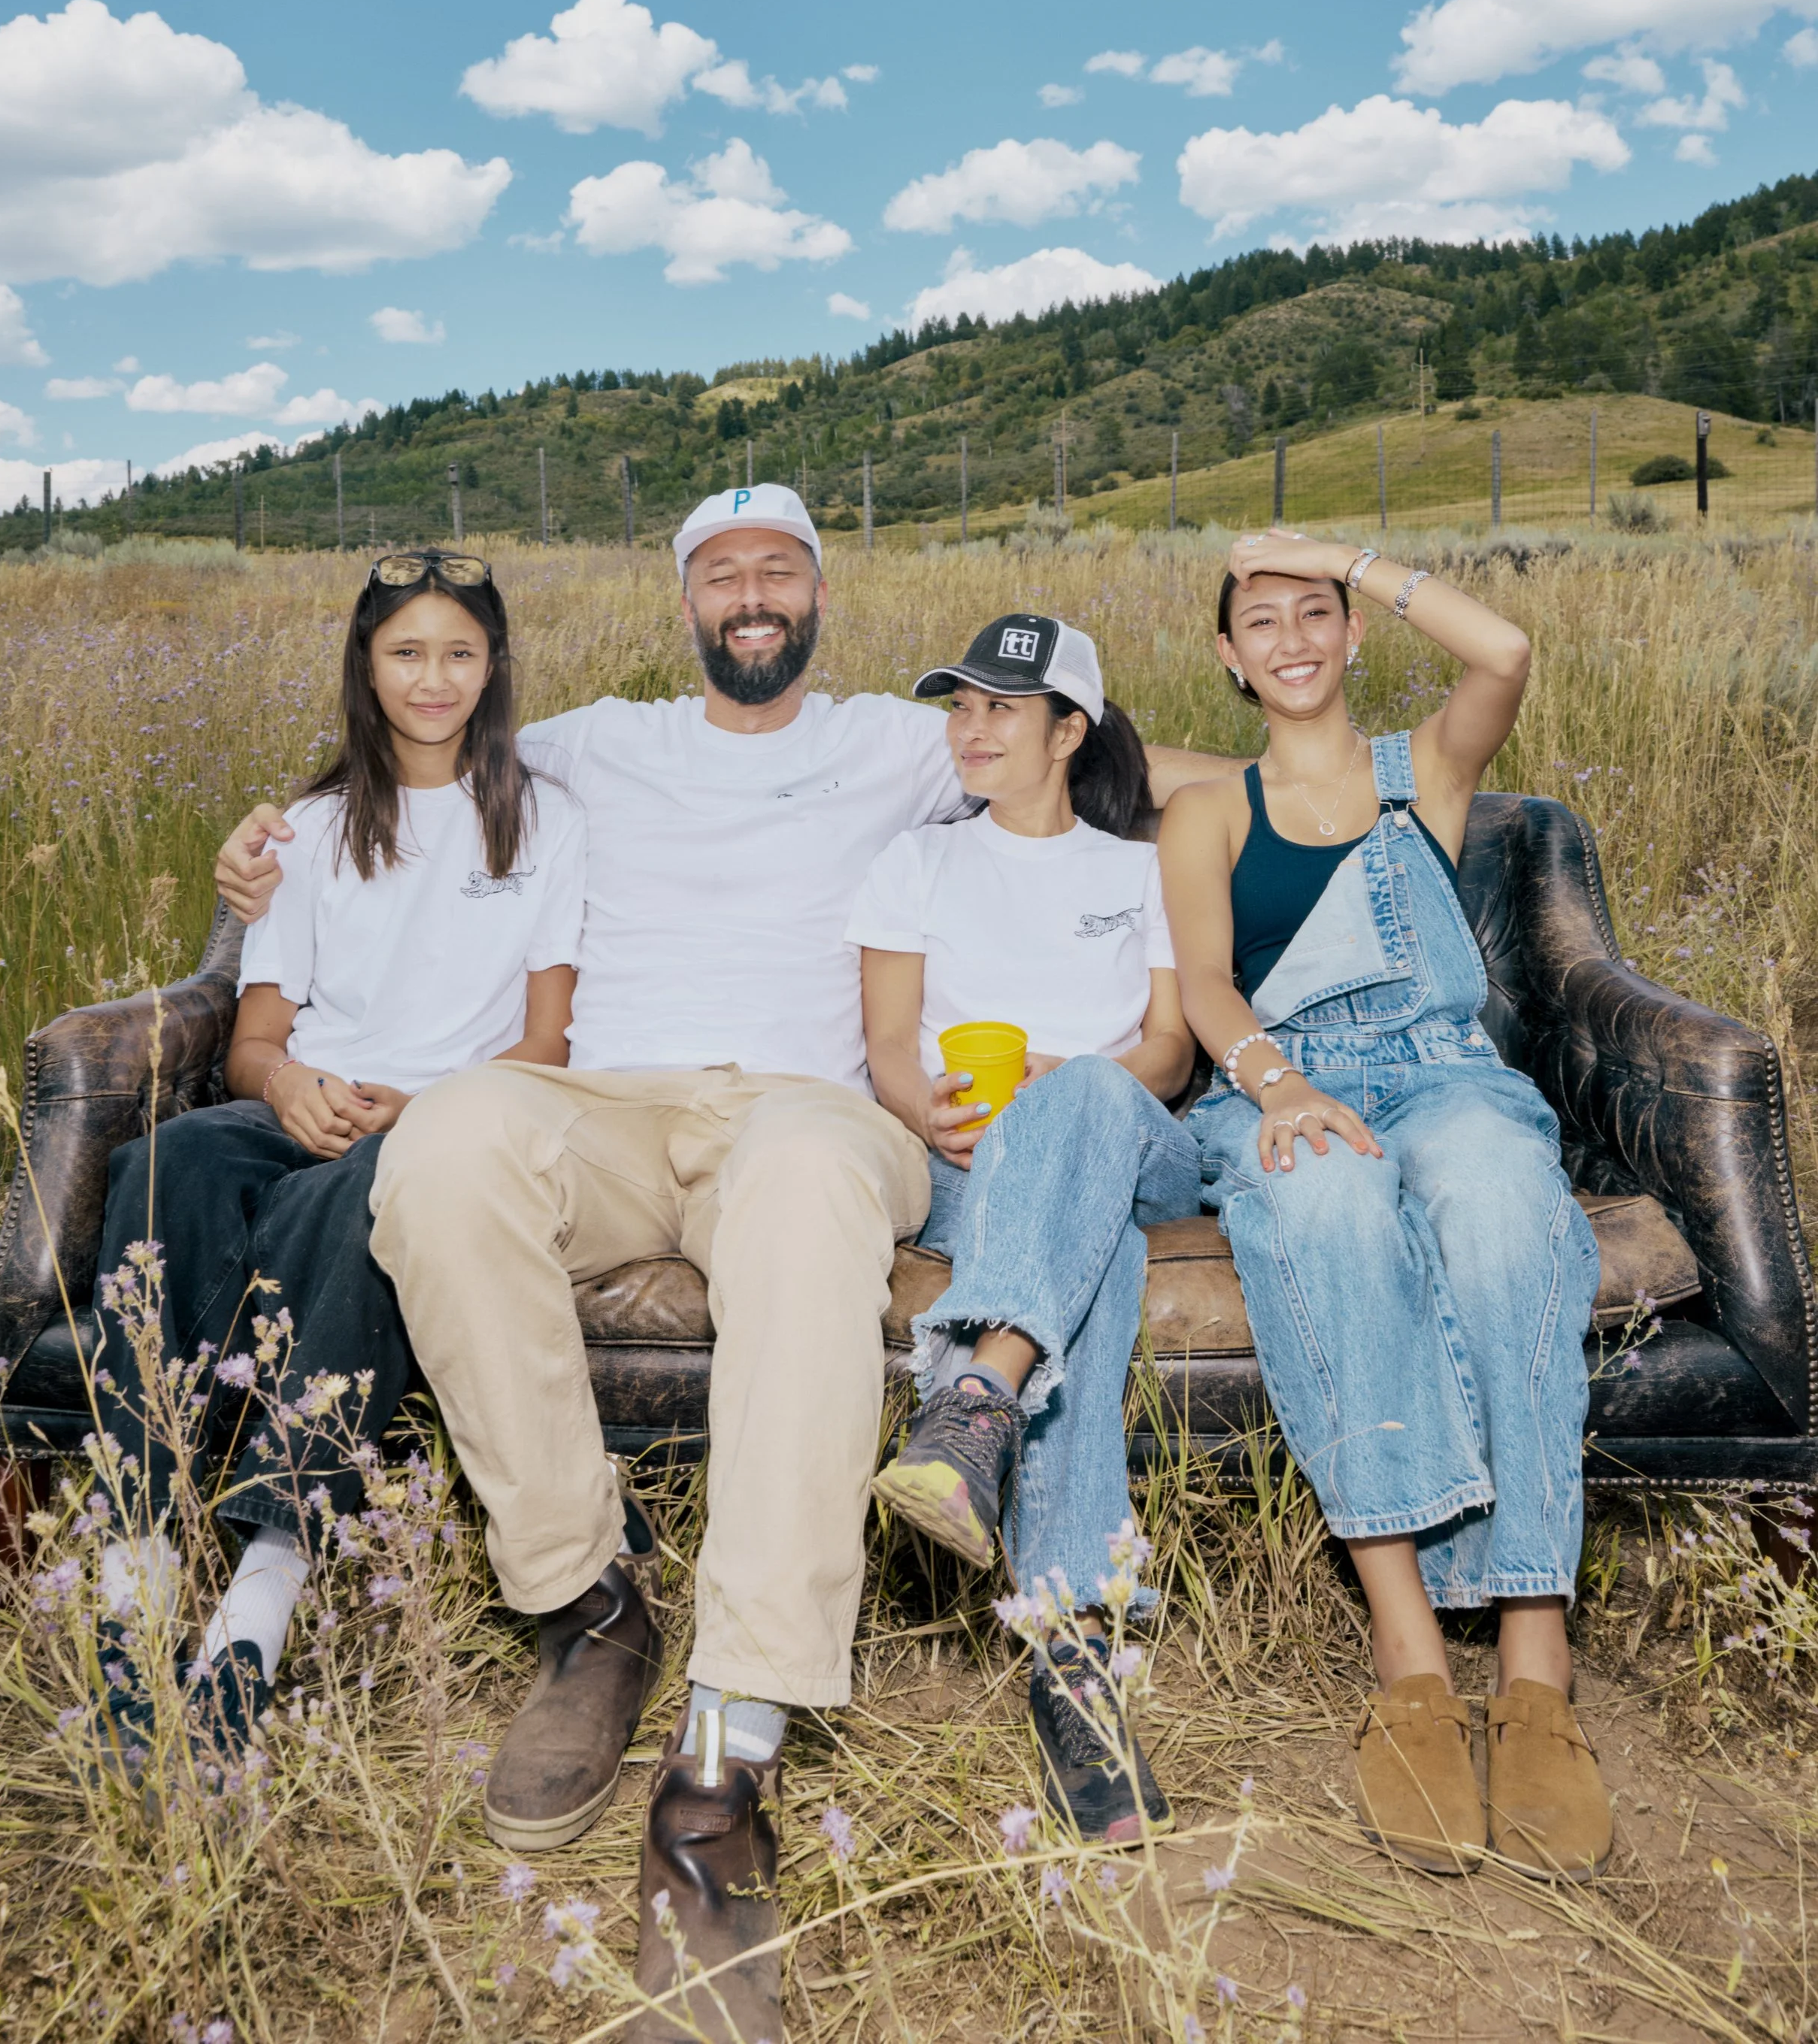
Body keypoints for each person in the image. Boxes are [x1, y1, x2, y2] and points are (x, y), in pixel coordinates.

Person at [212, 486, 1231, 2044]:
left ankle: (729, 1736)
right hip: (612, 1105)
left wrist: (1329, 776)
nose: (750, 593)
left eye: (778, 568)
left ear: (819, 594)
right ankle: (584, 1602)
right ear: (681, 599)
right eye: (720, 572)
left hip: (810, 1107)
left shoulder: (906, 739)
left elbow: (1112, 764)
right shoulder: (600, 739)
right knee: (448, 1141)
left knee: (814, 1178)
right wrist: (263, 839)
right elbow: (420, 742)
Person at [1157, 526, 1611, 1879]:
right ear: (1230, 661)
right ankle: (1408, 1649)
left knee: (1500, 1196)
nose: (1293, 638)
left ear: (1354, 635)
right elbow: (1203, 989)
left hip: (1444, 1073)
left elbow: (1507, 650)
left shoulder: (1430, 774)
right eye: (1262, 622)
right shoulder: (1208, 811)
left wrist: (1339, 558)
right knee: (1334, 1209)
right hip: (1281, 1084)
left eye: (1317, 616)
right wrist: (1284, 1092)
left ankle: (1535, 1655)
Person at [92, 550, 586, 1767]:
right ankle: (139, 1551)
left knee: (364, 1204)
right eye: (406, 652)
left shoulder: (545, 818)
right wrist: (295, 1084)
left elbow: (545, 1039)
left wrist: (419, 1105)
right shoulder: (309, 831)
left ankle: (269, 1577)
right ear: (367, 668)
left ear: (494, 667)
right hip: (304, 1103)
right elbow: (255, 1044)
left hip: (448, 1117)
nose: (434, 678)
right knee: (177, 1163)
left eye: (459, 652)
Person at [852, 612, 1192, 1843]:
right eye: (961, 707)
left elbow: (1162, 1051)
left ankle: (977, 1390)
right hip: (970, 1166)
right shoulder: (918, 863)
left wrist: (1069, 1082)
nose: (974, 728)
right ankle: (1074, 1661)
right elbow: (891, 1047)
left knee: (1091, 1097)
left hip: (1131, 1130)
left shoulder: (1141, 868)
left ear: (1070, 730)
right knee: (1096, 1268)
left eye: (1004, 707)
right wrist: (922, 1108)